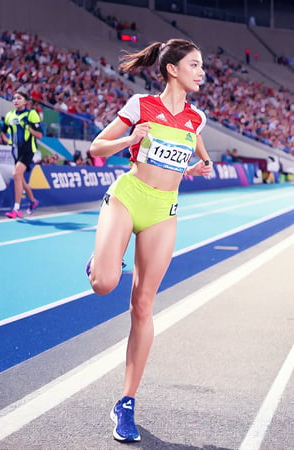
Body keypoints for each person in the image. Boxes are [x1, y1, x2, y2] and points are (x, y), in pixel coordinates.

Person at [86, 38, 213, 442]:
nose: (201, 72)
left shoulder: (197, 118)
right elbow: (96, 149)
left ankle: (125, 403)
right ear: (172, 69)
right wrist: (131, 138)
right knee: (105, 283)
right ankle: (101, 261)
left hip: (164, 211)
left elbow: (200, 156)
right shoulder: (140, 105)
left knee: (143, 305)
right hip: (129, 196)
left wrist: (197, 169)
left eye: (202, 66)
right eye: (194, 65)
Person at [1, 88, 43, 218]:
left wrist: (30, 130)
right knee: (20, 178)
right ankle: (33, 201)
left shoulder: (31, 114)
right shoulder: (9, 116)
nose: (16, 100)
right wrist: (7, 141)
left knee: (16, 174)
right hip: (15, 151)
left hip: (28, 150)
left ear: (25, 102)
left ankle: (16, 208)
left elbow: (40, 135)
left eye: (19, 98)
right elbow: (3, 131)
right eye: (14, 98)